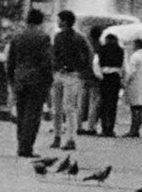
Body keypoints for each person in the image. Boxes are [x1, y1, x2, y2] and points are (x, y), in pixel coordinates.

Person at [7, 9, 53, 157]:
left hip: (20, 78)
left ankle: (21, 144)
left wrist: (12, 79)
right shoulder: (43, 37)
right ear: (40, 21)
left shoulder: (17, 36)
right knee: (32, 115)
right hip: (37, 80)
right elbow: (47, 62)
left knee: (21, 114)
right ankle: (26, 147)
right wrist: (48, 81)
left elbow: (11, 61)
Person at [51, 10, 91, 151]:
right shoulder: (80, 37)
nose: (57, 22)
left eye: (59, 19)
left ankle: (61, 138)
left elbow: (54, 54)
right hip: (71, 75)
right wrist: (83, 70)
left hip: (65, 74)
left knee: (62, 108)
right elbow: (88, 54)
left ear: (65, 21)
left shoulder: (59, 37)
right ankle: (68, 138)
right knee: (68, 108)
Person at [95, 33, 124, 137]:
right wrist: (122, 78)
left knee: (104, 103)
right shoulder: (120, 50)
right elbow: (125, 67)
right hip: (115, 77)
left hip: (105, 77)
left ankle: (103, 128)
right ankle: (110, 128)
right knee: (113, 104)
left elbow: (96, 64)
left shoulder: (101, 49)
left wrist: (100, 76)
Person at [78, 26, 103, 136]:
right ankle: (91, 127)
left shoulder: (85, 45)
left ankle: (78, 126)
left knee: (81, 102)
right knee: (94, 103)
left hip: (83, 76)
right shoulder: (100, 46)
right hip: (95, 77)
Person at [123, 39, 142, 138]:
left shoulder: (135, 56)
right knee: (140, 107)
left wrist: (126, 81)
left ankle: (133, 130)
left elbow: (131, 71)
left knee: (134, 108)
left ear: (137, 45)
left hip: (134, 84)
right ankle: (137, 129)